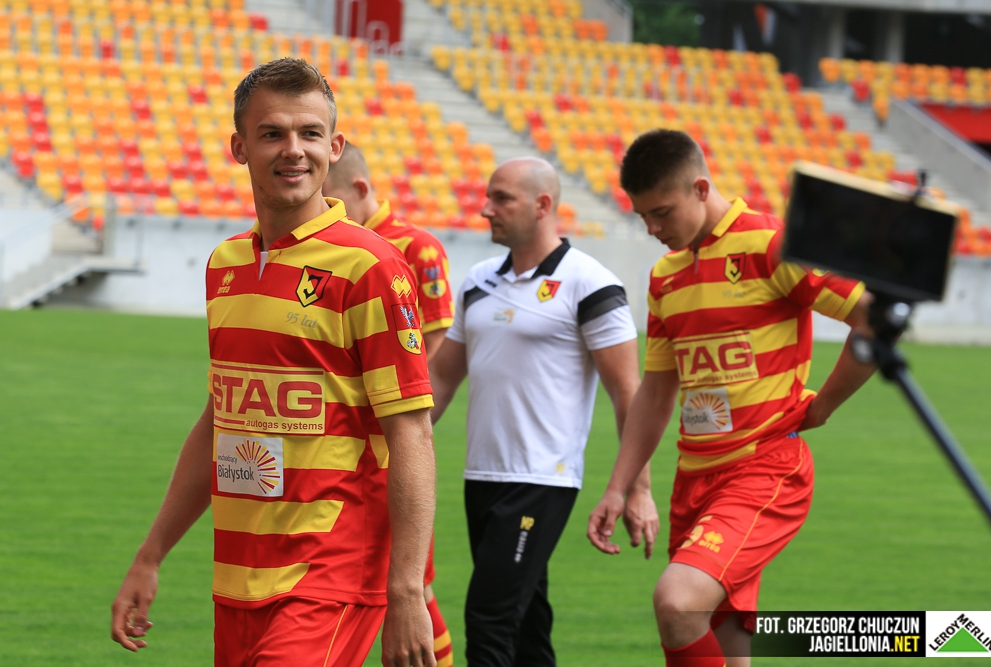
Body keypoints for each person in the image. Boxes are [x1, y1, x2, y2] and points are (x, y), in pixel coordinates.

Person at [110, 58, 438, 667]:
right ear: (239, 147)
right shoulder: (225, 264)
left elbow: (412, 431)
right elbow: (221, 418)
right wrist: (150, 554)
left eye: (310, 133)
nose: (294, 150)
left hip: (330, 573)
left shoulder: (370, 268)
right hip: (238, 576)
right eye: (272, 133)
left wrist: (407, 590)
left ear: (334, 147)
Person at [587, 129, 875, 667]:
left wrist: (823, 406)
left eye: (662, 213)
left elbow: (872, 318)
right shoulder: (665, 277)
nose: (652, 229)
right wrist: (618, 487)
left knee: (677, 603)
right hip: (694, 481)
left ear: (700, 188)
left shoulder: (771, 245)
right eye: (643, 217)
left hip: (763, 470)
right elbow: (656, 392)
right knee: (724, 644)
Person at [429, 156, 659, 667]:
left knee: (489, 620)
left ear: (542, 205)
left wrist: (637, 489)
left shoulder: (590, 284)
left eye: (501, 198)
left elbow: (628, 392)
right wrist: (389, 443)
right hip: (480, 476)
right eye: (488, 197)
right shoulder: (478, 281)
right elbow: (441, 377)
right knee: (527, 629)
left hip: (541, 481)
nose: (486, 209)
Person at [324, 142, 455, 667]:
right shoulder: (329, 247)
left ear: (359, 189)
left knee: (412, 584)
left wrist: (399, 404)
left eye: (330, 199)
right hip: (344, 443)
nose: (323, 210)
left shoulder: (417, 246)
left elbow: (438, 335)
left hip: (393, 437)